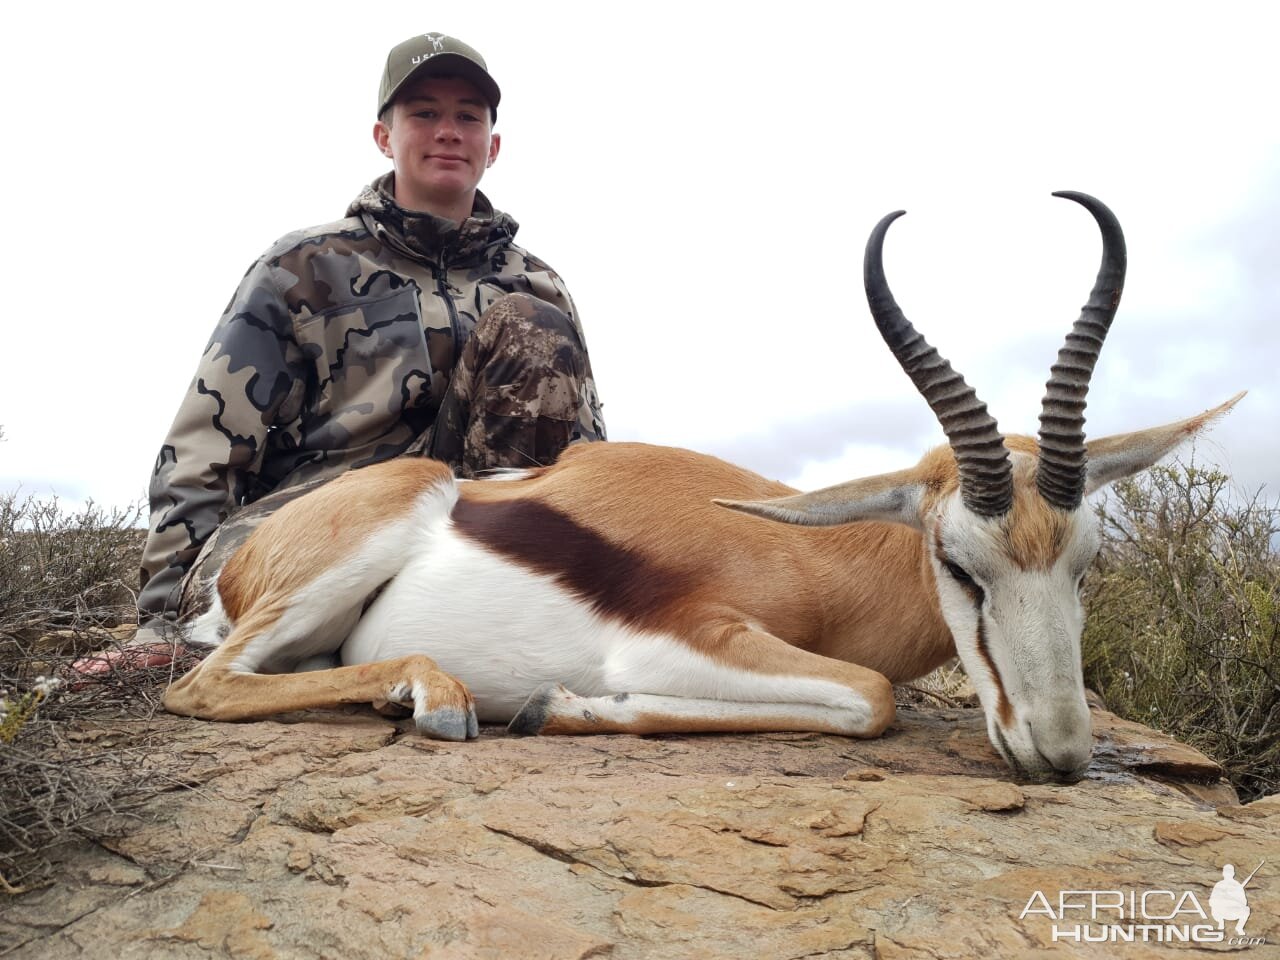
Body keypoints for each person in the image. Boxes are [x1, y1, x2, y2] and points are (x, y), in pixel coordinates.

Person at [133, 33, 606, 644]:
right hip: (318, 524)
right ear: (384, 136)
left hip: (465, 539)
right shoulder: (300, 267)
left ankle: (496, 618)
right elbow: (206, 447)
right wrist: (160, 619)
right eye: (424, 113)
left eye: (468, 116)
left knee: (531, 328)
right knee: (222, 617)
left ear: (493, 145)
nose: (447, 131)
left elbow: (586, 458)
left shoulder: (539, 287)